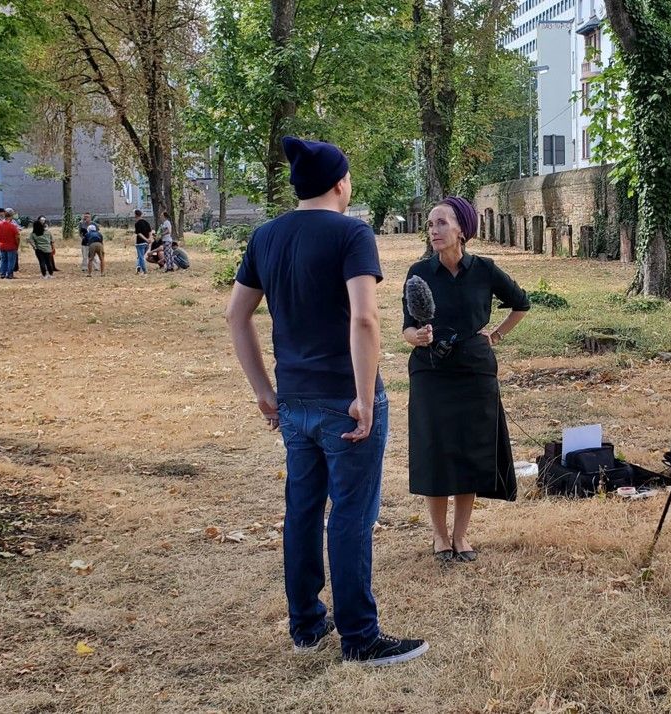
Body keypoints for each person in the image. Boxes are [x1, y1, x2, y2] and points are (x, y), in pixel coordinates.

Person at [225, 136, 427, 666]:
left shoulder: (265, 236)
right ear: (340, 183)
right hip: (344, 397)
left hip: (293, 401)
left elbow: (236, 315)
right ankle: (360, 637)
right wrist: (363, 398)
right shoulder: (352, 233)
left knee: (303, 509)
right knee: (352, 516)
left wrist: (264, 393)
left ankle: (306, 625)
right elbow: (364, 317)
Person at [401, 196, 529, 563]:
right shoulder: (419, 273)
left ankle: (461, 535)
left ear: (463, 229)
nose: (434, 230)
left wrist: (497, 335)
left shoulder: (485, 270)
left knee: (470, 451)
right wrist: (418, 337)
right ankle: (440, 537)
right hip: (431, 371)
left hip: (474, 370)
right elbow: (406, 329)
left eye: (441, 222)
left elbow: (521, 303)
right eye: (430, 224)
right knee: (436, 451)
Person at [0, 209, 21, 279]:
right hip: (11, 246)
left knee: (3, 260)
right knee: (11, 260)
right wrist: (17, 245)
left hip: (1, 245)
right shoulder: (12, 226)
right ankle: (9, 274)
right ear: (11, 216)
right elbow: (17, 237)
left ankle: (2, 273)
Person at [134, 209, 152, 274]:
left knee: (141, 257)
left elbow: (139, 233)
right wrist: (149, 239)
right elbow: (150, 231)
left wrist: (145, 239)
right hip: (146, 243)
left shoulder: (137, 223)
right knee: (140, 256)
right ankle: (138, 267)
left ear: (136, 215)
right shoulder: (146, 222)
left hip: (140, 243)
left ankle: (144, 270)